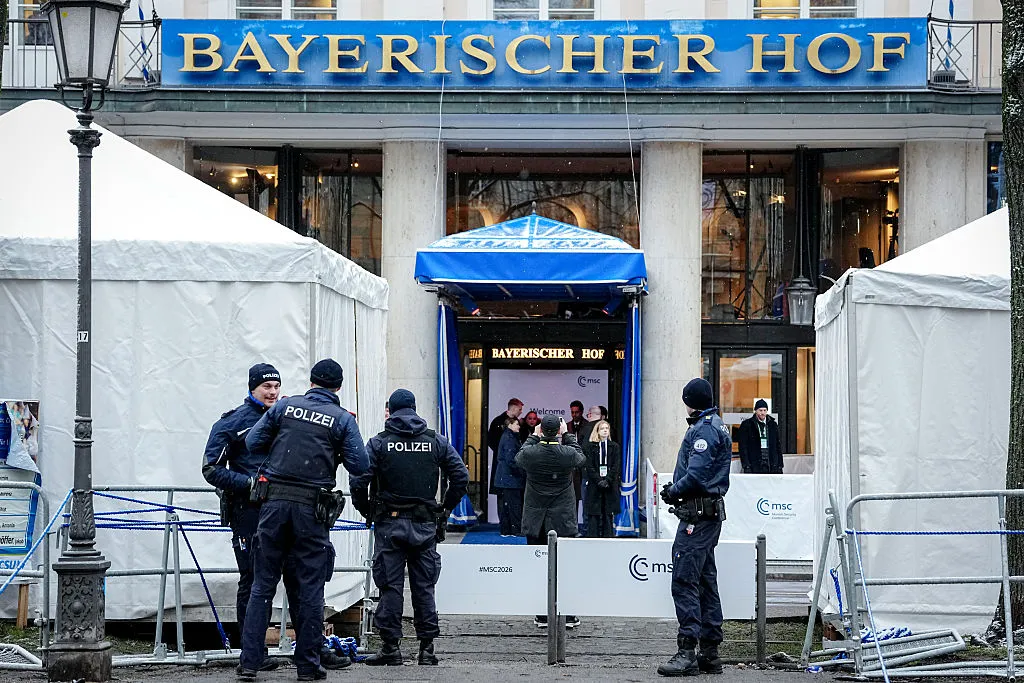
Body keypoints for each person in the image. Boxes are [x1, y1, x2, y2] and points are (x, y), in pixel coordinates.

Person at [237, 359, 369, 681]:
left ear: (311, 383)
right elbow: (360, 465)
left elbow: (252, 443)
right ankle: (308, 666)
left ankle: (249, 663)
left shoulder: (285, 408)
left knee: (262, 585)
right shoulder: (341, 419)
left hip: (273, 506)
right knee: (310, 588)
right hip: (311, 511)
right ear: (338, 388)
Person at [351, 389, 469, 667]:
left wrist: (367, 511)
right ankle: (427, 649)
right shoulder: (435, 441)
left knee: (390, 587)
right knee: (424, 587)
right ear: (415, 409)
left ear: (390, 411)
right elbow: (460, 476)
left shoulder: (379, 443)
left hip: (389, 523)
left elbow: (359, 481)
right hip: (424, 523)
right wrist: (445, 508)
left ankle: (391, 648)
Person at [201, 364, 303, 667]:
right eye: (266, 387)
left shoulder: (289, 419)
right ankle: (252, 651)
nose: (272, 392)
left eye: (276, 387)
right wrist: (249, 485)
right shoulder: (233, 422)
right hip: (249, 513)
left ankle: (309, 649)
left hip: (287, 511)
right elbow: (211, 469)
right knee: (254, 580)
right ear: (252, 388)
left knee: (297, 579)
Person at [657, 378, 732, 677]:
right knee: (705, 580)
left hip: (697, 517)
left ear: (690, 401)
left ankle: (687, 651)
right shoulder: (716, 425)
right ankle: (710, 653)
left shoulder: (703, 429)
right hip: (707, 516)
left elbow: (697, 475)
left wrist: (673, 490)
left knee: (685, 580)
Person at [515, 414, 585, 629]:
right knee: (564, 568)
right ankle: (567, 614)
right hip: (562, 517)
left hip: (537, 518)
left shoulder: (532, 452)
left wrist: (534, 437)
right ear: (559, 430)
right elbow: (580, 457)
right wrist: (568, 435)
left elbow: (519, 457)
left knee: (538, 568)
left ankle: (542, 614)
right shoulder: (566, 452)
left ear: (541, 430)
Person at [583, 420, 621, 538]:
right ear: (597, 431)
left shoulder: (614, 446)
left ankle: (608, 537)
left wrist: (607, 480)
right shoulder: (590, 447)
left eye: (607, 428)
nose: (605, 430)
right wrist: (599, 480)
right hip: (595, 484)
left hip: (609, 484)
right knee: (594, 513)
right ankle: (593, 538)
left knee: (608, 513)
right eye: (602, 428)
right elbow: (589, 466)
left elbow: (616, 466)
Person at [494, 418, 526, 536]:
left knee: (507, 506)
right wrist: (522, 472)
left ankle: (506, 530)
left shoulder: (507, 437)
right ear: (510, 425)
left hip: (506, 478)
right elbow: (511, 460)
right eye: (517, 424)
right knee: (514, 505)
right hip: (511, 478)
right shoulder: (510, 439)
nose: (519, 427)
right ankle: (515, 530)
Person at [738, 399, 784, 474]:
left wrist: (780, 465)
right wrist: (746, 465)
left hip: (771, 462)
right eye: (760, 410)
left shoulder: (772, 425)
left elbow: (778, 445)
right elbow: (743, 447)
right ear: (755, 410)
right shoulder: (747, 425)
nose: (762, 413)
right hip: (754, 462)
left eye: (765, 410)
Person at [487, 399, 524, 492]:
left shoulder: (517, 423)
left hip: (507, 464)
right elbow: (491, 440)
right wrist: (502, 451)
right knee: (503, 493)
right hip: (504, 463)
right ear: (514, 408)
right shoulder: (498, 422)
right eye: (520, 409)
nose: (521, 412)